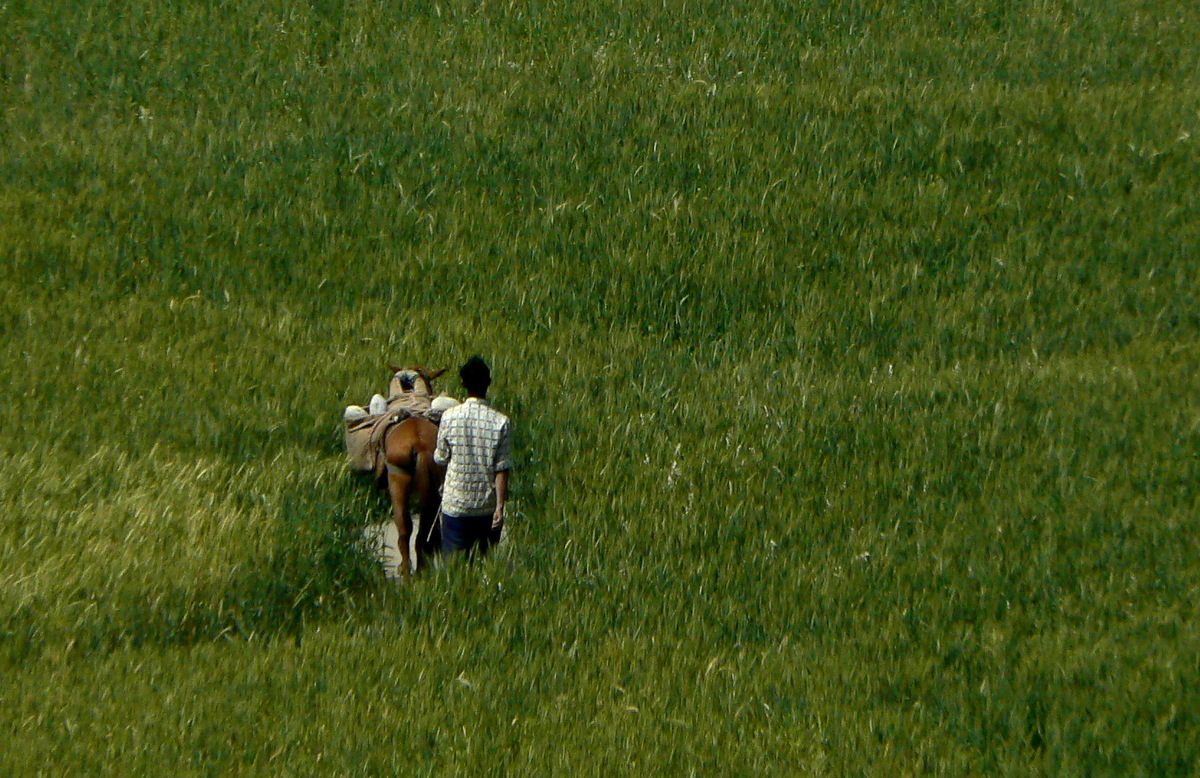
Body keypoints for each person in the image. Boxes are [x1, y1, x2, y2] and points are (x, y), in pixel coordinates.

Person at [433, 356, 512, 560]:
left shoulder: (449, 417)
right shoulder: (501, 422)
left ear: (463, 383)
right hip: (485, 508)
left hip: (455, 505)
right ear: (488, 383)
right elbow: (501, 469)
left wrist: (444, 485)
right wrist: (499, 508)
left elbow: (441, 459)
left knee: (454, 567)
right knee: (483, 565)